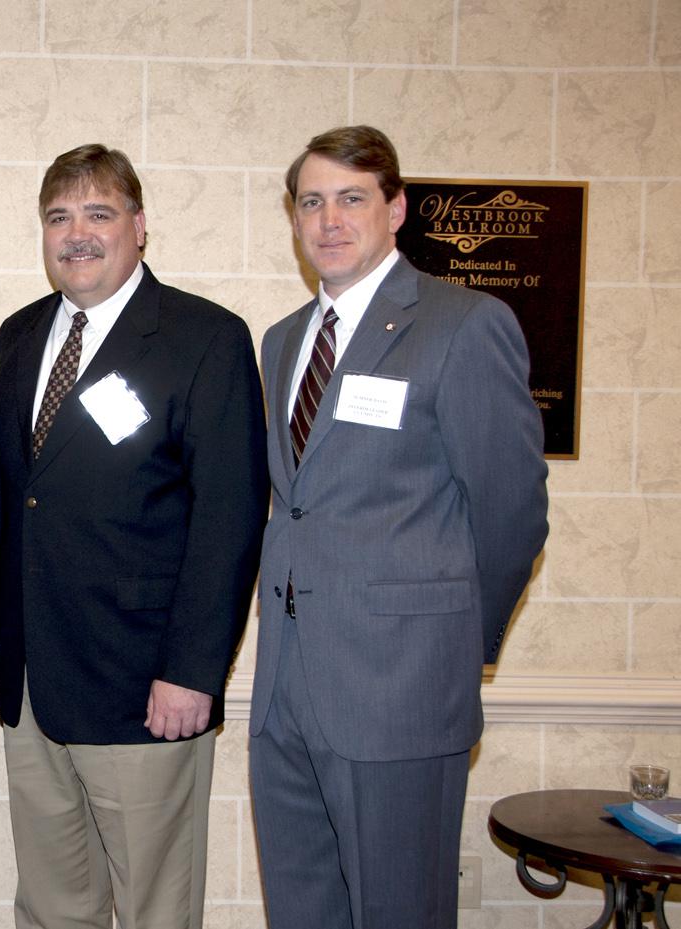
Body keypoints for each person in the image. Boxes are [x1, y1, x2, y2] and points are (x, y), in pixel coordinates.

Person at [249, 125, 550, 929]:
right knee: (302, 908)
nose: (329, 219)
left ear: (397, 209)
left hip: (402, 688)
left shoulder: (462, 324)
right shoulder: (282, 342)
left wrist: (455, 646)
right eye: (311, 202)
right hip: (287, 688)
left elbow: (513, 509)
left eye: (352, 197)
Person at [0, 144, 268, 929]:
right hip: (32, 683)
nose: (77, 233)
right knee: (50, 902)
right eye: (59, 216)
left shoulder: (204, 338)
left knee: (154, 910)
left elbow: (229, 518)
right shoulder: (19, 335)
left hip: (145, 687)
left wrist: (193, 670)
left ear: (139, 227)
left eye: (98, 213)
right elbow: (2, 496)